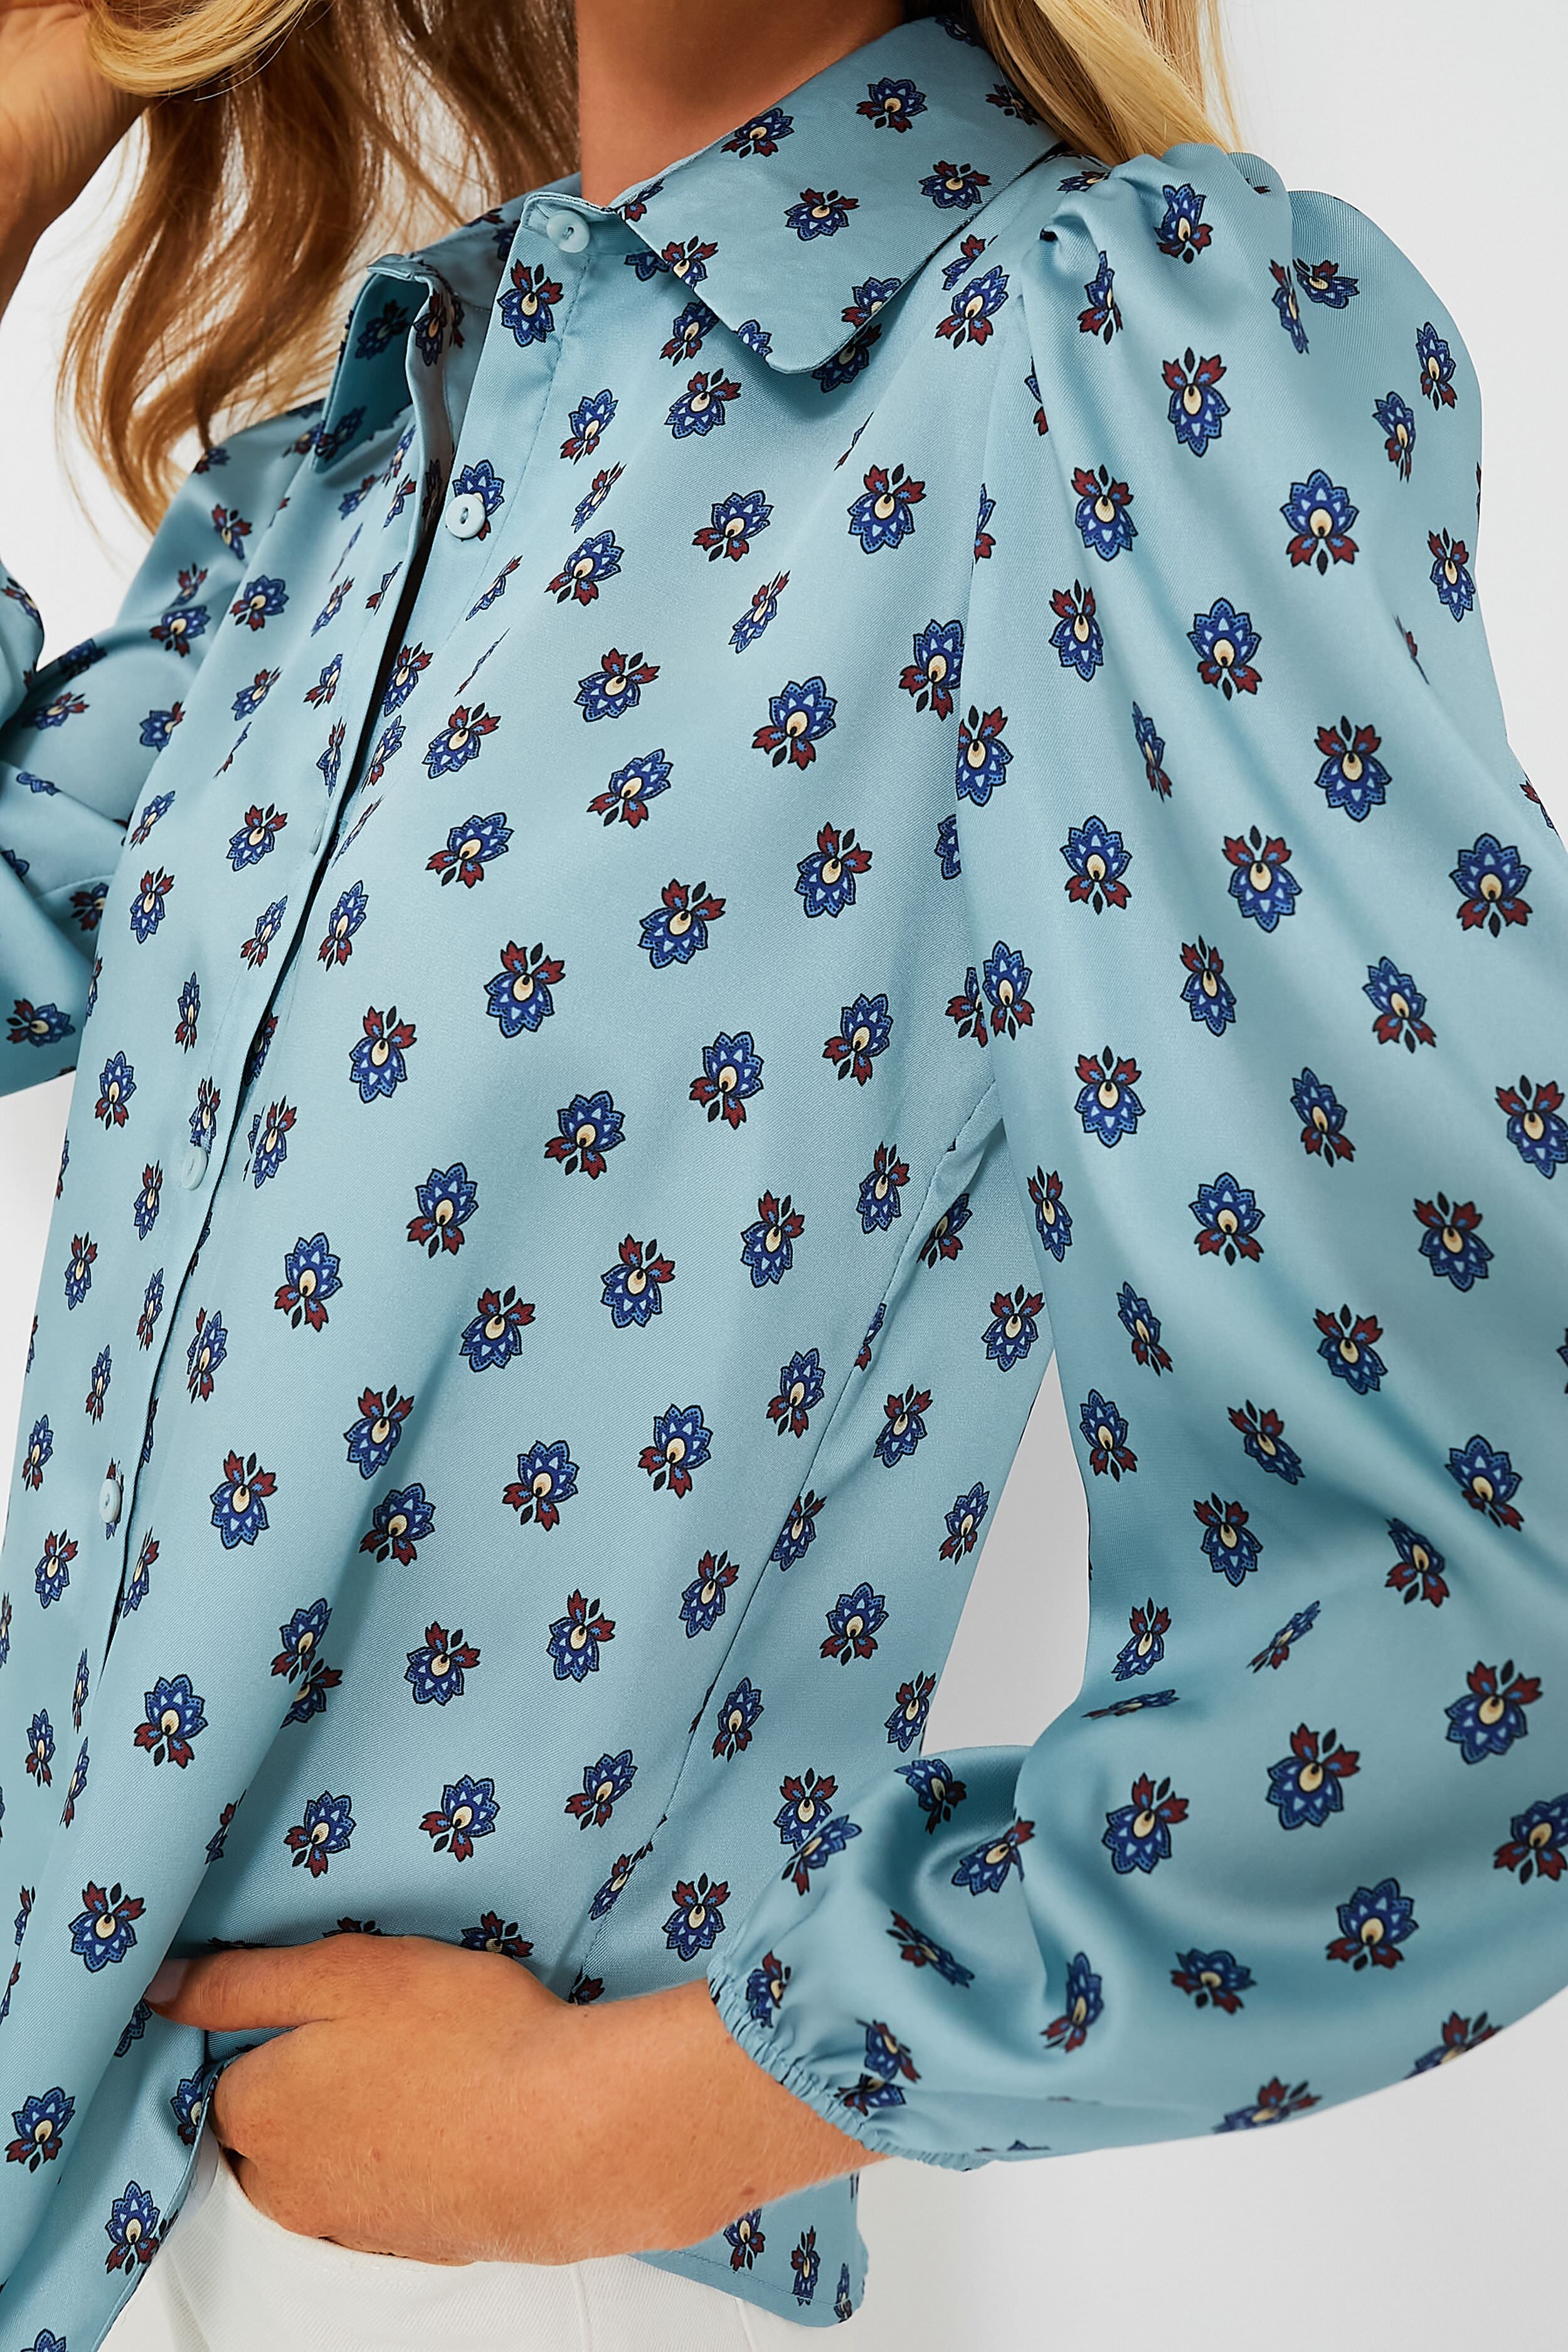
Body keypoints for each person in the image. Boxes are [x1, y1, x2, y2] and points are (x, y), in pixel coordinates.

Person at [0, 0, 1562, 2345]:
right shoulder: (352, 461)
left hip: (457, 2283)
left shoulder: (1097, 353)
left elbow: (1501, 1582)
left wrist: (603, 2127)